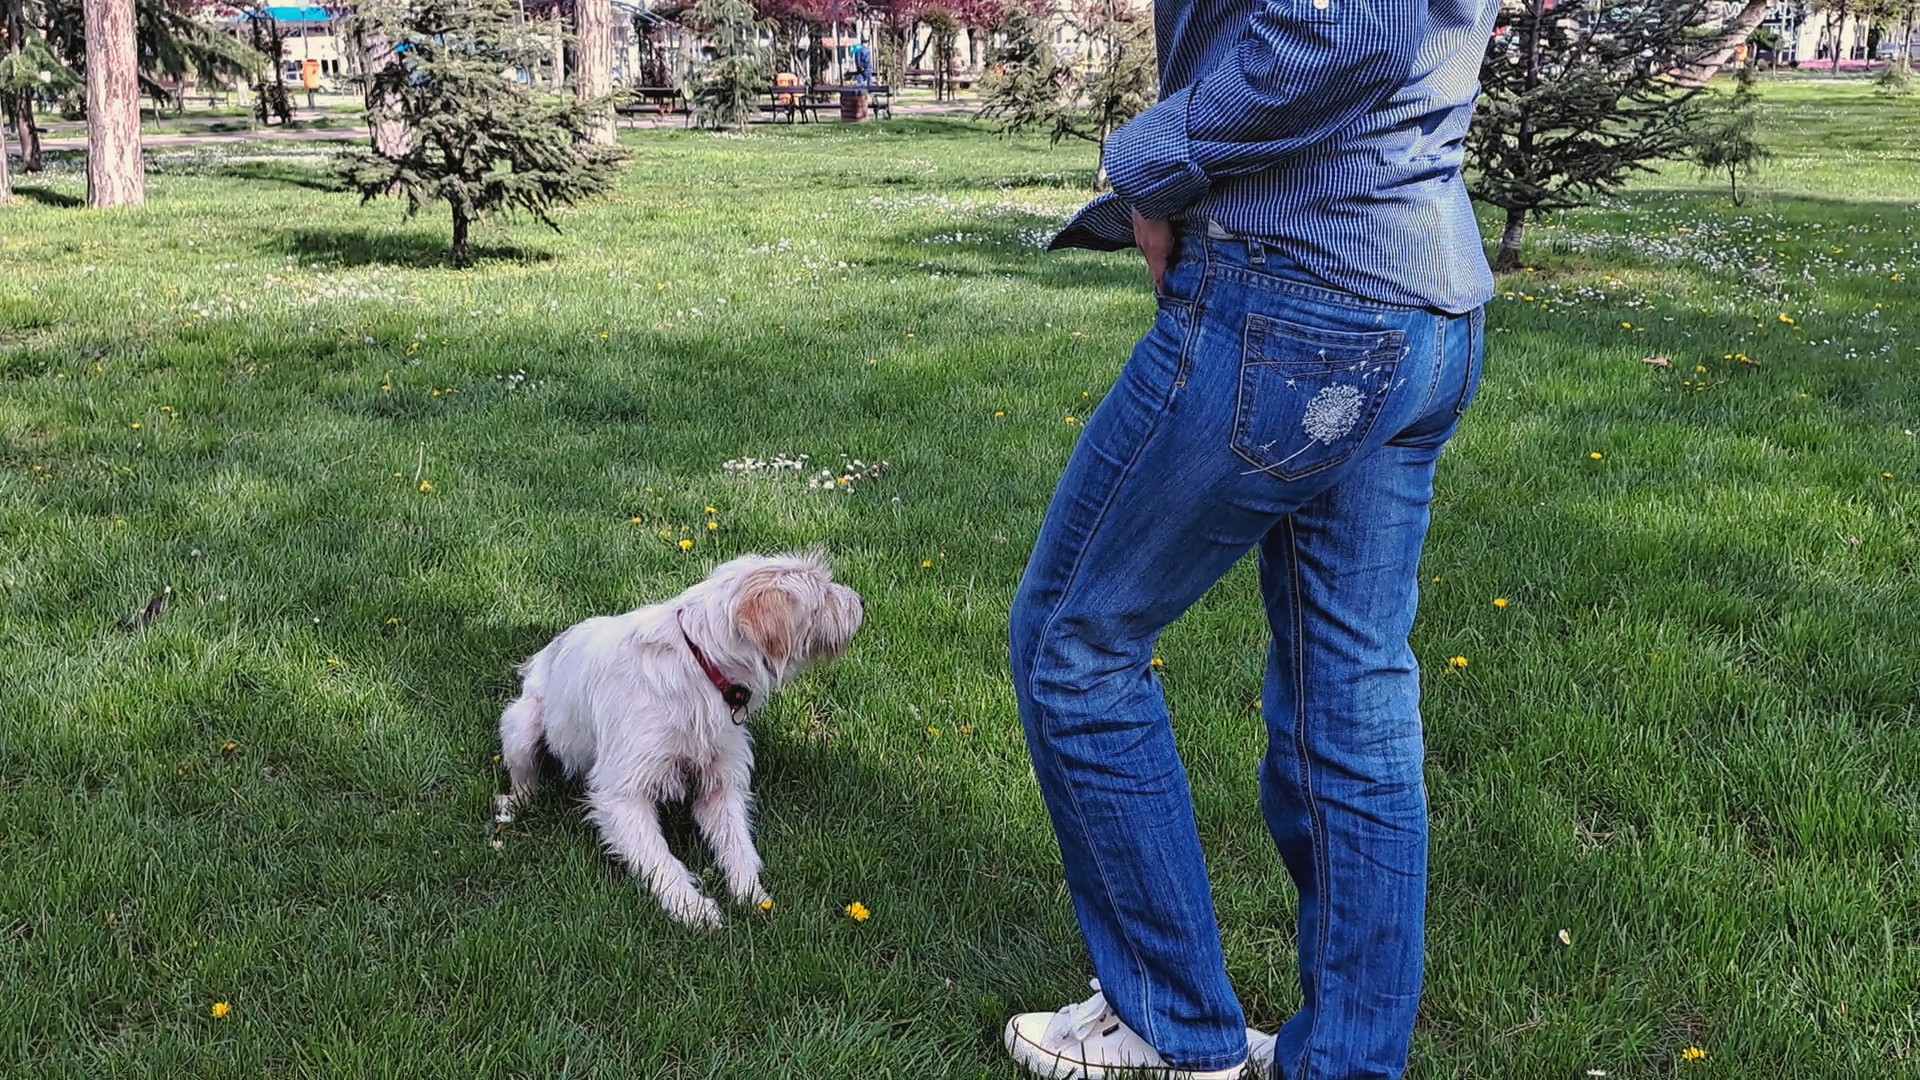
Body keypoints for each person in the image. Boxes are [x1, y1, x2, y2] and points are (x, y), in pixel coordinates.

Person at [1002, 3, 1502, 1079]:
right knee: (1353, 696)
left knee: (1071, 646)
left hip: (1297, 296)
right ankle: (1348, 1062)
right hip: (1422, 300)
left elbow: (1347, 31)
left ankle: (1174, 1030)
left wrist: (1149, 164)